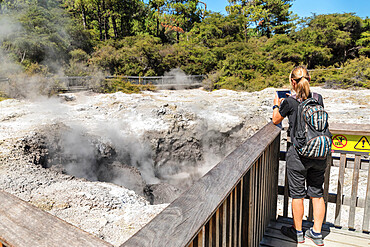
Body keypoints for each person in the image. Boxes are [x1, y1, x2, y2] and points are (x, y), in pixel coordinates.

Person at [272, 66, 326, 246]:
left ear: (292, 82)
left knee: (297, 195)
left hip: (299, 154)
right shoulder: (318, 98)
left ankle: (298, 233)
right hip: (319, 153)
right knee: (317, 194)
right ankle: (317, 233)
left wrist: (276, 104)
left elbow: (275, 120)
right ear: (309, 80)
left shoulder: (290, 101)